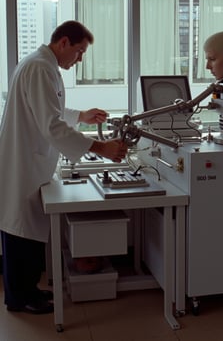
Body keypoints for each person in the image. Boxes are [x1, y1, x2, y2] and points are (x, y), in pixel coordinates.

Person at [0, 20, 128, 314]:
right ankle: (20, 299)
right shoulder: (39, 68)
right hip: (23, 164)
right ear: (64, 43)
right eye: (79, 51)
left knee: (27, 233)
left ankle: (28, 290)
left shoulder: (43, 66)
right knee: (20, 233)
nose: (80, 59)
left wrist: (81, 115)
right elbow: (51, 124)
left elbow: (50, 111)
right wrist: (101, 148)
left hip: (31, 162)